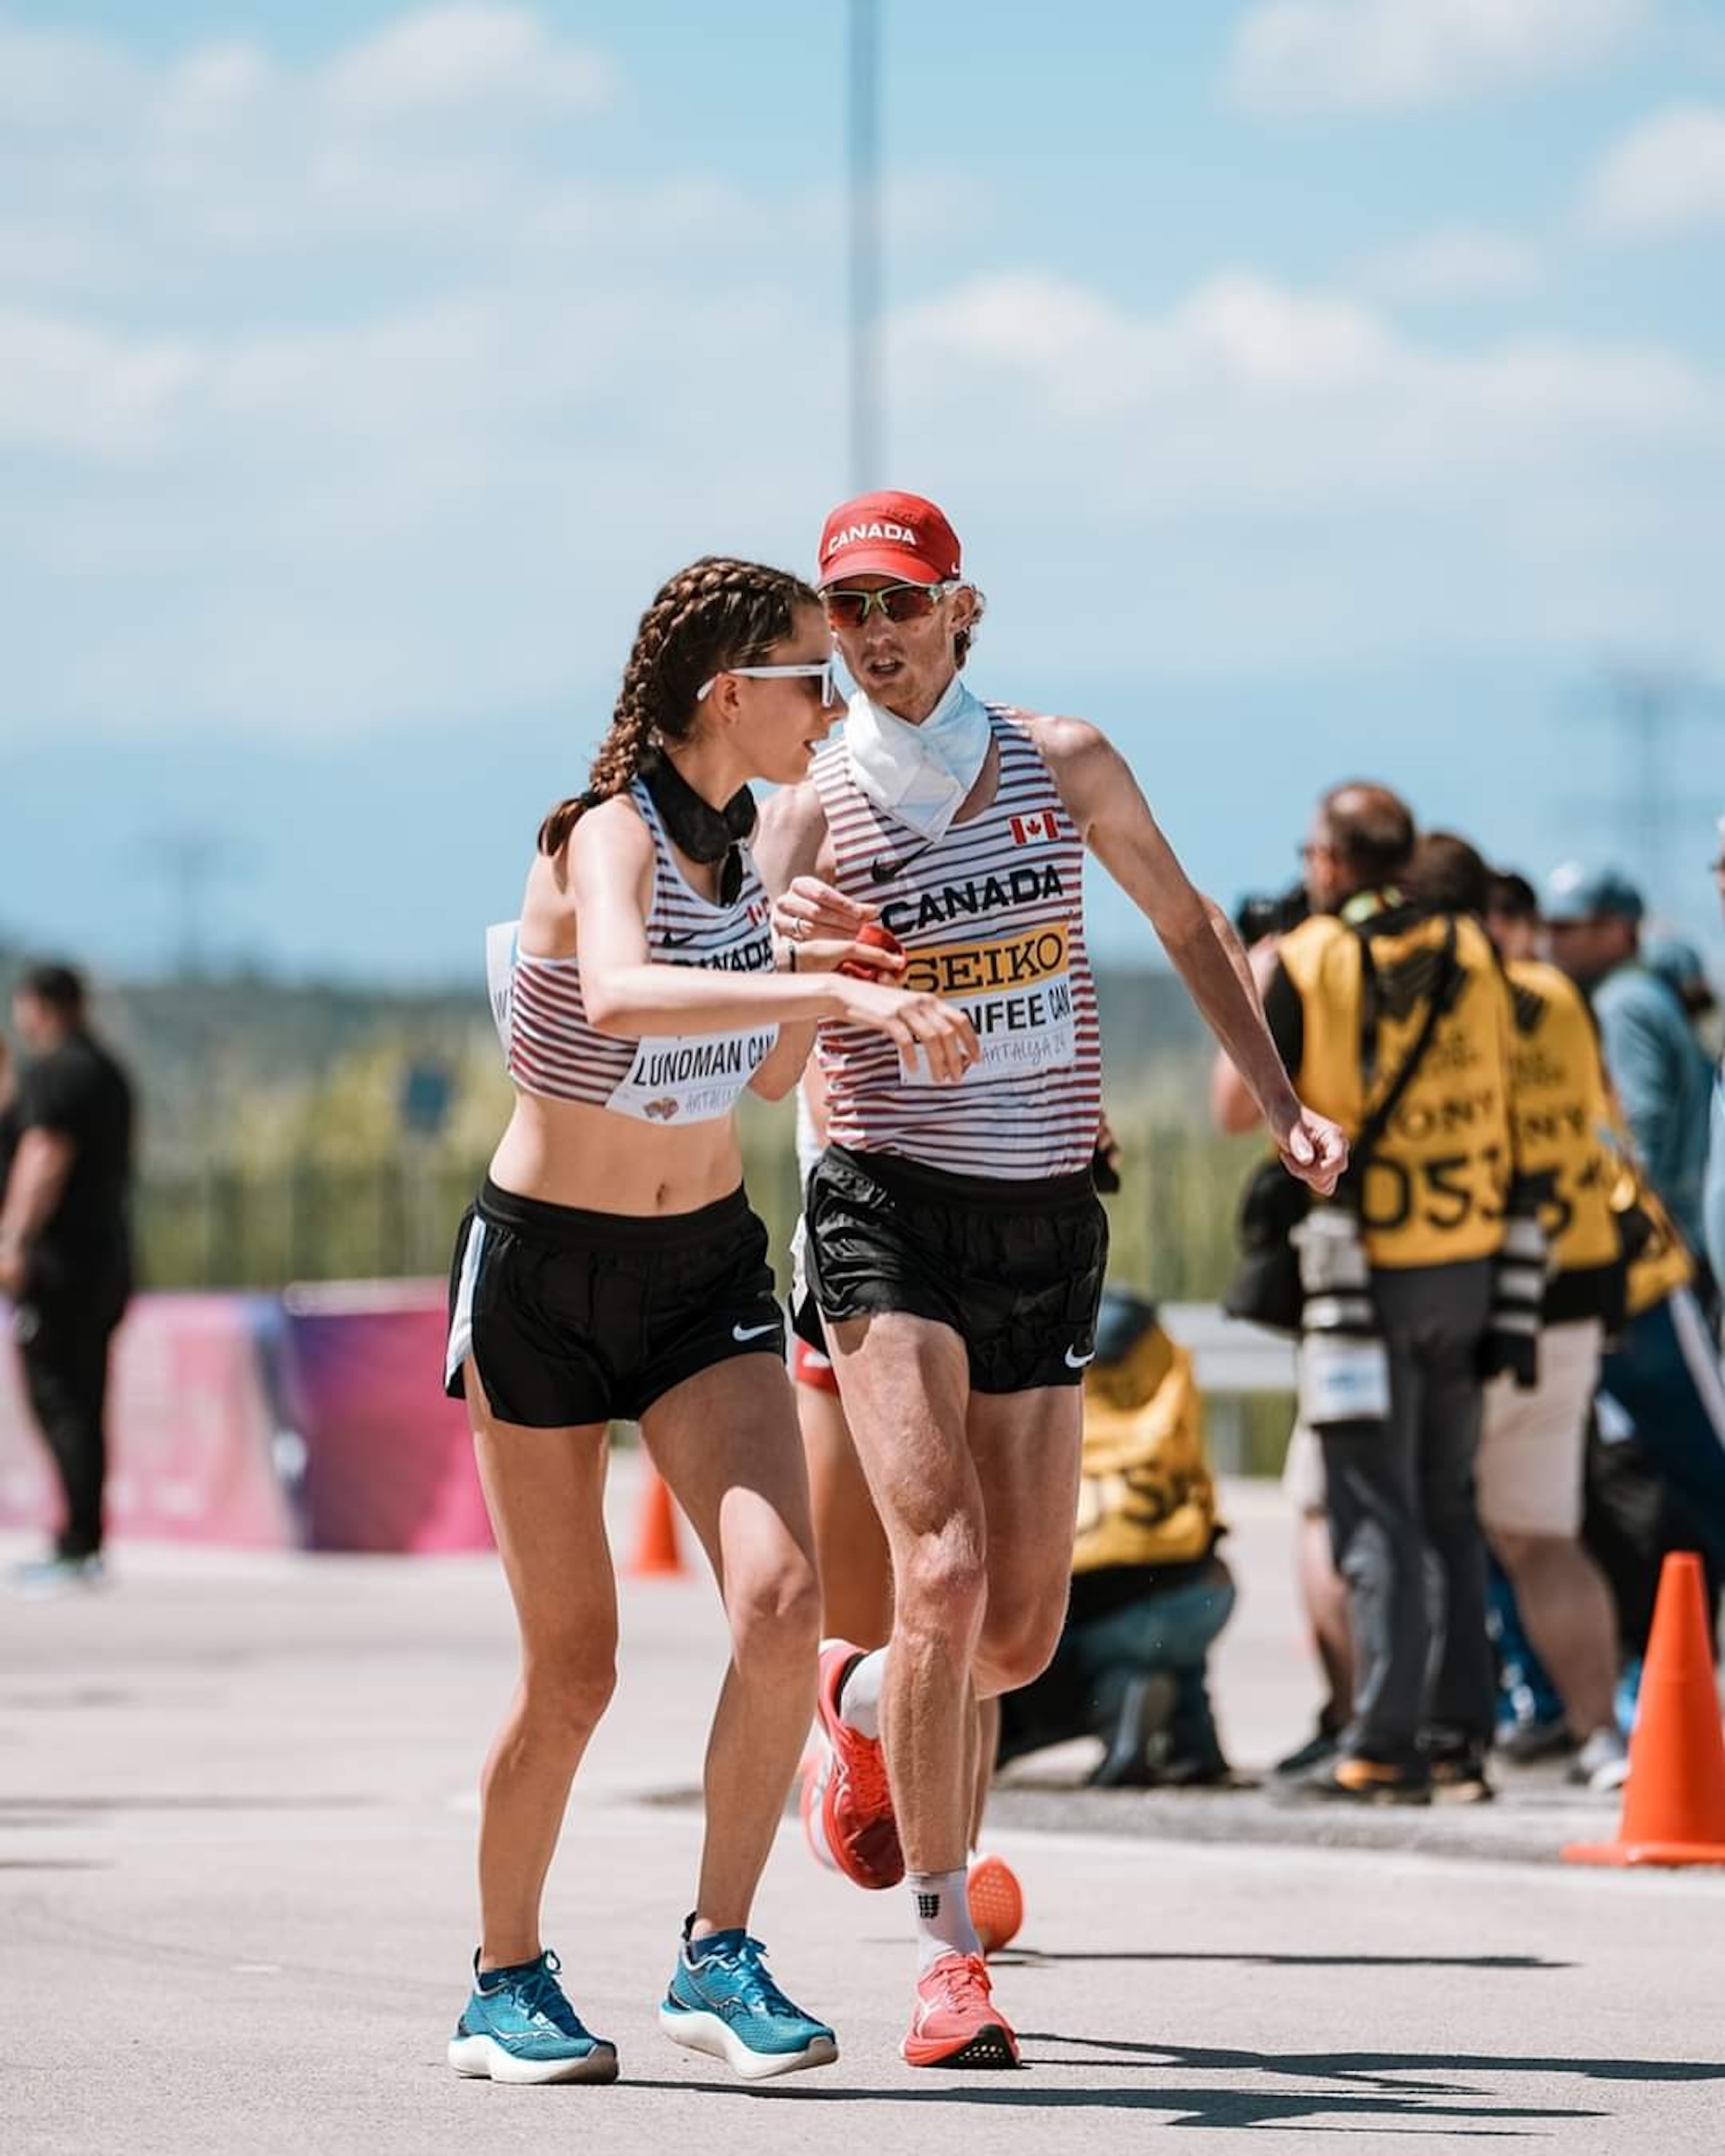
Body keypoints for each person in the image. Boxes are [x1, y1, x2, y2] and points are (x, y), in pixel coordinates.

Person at [757, 489, 1345, 2068]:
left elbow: (1187, 918)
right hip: (885, 1209)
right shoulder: (807, 811)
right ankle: (948, 1956)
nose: (871, 638)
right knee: (938, 1569)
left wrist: (1283, 1108)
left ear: (965, 610)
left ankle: (867, 1709)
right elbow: (762, 1077)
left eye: (899, 605)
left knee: (1011, 1637)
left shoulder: (1062, 760)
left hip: (1045, 1216)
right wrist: (814, 974)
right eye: (846, 611)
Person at [442, 555, 978, 2088]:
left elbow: (747, 1081)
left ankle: (718, 1953)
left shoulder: (755, 855)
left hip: (698, 1271)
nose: (833, 700)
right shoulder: (601, 833)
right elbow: (614, 996)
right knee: (576, 1670)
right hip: (546, 1272)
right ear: (725, 693)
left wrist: (818, 977)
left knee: (779, 1598)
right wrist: (845, 1001)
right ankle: (503, 1980)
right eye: (810, 675)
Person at [1215, 785, 1516, 1806]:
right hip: (1468, 1259)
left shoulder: (1312, 960)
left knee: (1373, 1506)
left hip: (1358, 1274)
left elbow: (1228, 1104)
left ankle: (1386, 1741)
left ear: (1336, 863)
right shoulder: (1477, 954)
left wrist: (1258, 965)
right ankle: (1461, 1736)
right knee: (1447, 1499)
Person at [1412, 835, 1629, 1790]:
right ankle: (1601, 1735)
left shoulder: (1452, 1004)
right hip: (1575, 1283)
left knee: (1423, 1520)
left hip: (1468, 1286)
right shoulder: (1563, 1003)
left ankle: (1420, 1736)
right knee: (1543, 1531)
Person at [995, 1287, 1235, 1787]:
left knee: (1007, 1670)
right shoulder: (1168, 1392)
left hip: (1083, 1621)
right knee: (1175, 1595)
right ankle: (1190, 1743)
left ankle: (1118, 1707)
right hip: (1192, 1602)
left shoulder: (1045, 1395)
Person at [0, 963, 135, 1595]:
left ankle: (78, 1540)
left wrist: (14, 1238)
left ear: (42, 1007)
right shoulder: (108, 1072)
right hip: (108, 1258)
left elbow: (44, 1155)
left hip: (62, 1266)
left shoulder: (57, 1073)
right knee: (86, 1395)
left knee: (58, 1397)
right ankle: (83, 1537)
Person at [1543, 864, 1712, 1264]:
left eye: (1565, 927)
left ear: (1618, 931)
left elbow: (1638, 1126)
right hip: (1686, 1234)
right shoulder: (1642, 992)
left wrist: (1624, 1231)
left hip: (1664, 1247)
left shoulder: (1622, 1005)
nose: (1550, 941)